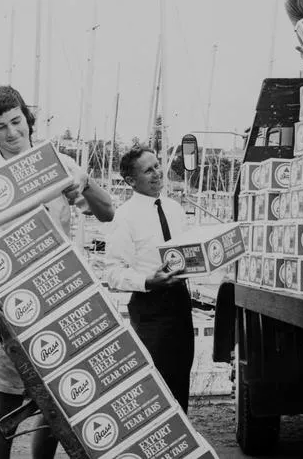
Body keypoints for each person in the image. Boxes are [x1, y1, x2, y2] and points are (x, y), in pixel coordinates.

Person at [0, 85, 114, 459]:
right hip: (10, 303)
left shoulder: (58, 162)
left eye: (16, 122)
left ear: (28, 121)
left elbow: (108, 212)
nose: (12, 133)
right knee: (6, 409)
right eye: (0, 127)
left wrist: (84, 182)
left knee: (56, 405)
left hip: (64, 296)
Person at [104, 146, 194, 412]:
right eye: (148, 170)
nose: (157, 174)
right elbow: (112, 272)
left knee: (180, 379)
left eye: (157, 166)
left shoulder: (175, 209)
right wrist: (147, 281)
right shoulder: (125, 217)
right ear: (131, 181)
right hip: (150, 306)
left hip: (180, 302)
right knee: (156, 386)